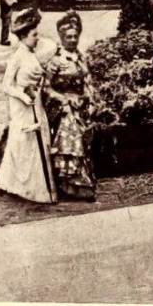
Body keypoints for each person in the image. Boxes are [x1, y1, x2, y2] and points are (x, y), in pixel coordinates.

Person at [0, 8, 57, 203]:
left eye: (37, 34)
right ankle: (10, 183)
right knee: (20, 143)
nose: (37, 38)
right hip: (22, 105)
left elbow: (52, 45)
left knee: (39, 142)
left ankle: (39, 188)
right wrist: (22, 96)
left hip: (35, 103)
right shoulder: (17, 57)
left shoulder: (34, 53)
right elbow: (6, 85)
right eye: (33, 35)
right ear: (23, 37)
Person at [43, 11, 96, 200]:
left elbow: (88, 82)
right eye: (69, 37)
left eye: (75, 36)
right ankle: (70, 184)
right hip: (63, 109)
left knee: (83, 141)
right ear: (61, 38)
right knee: (70, 138)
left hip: (81, 106)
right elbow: (46, 88)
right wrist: (63, 100)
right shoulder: (56, 61)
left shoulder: (81, 59)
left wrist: (92, 101)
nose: (73, 40)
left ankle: (81, 181)